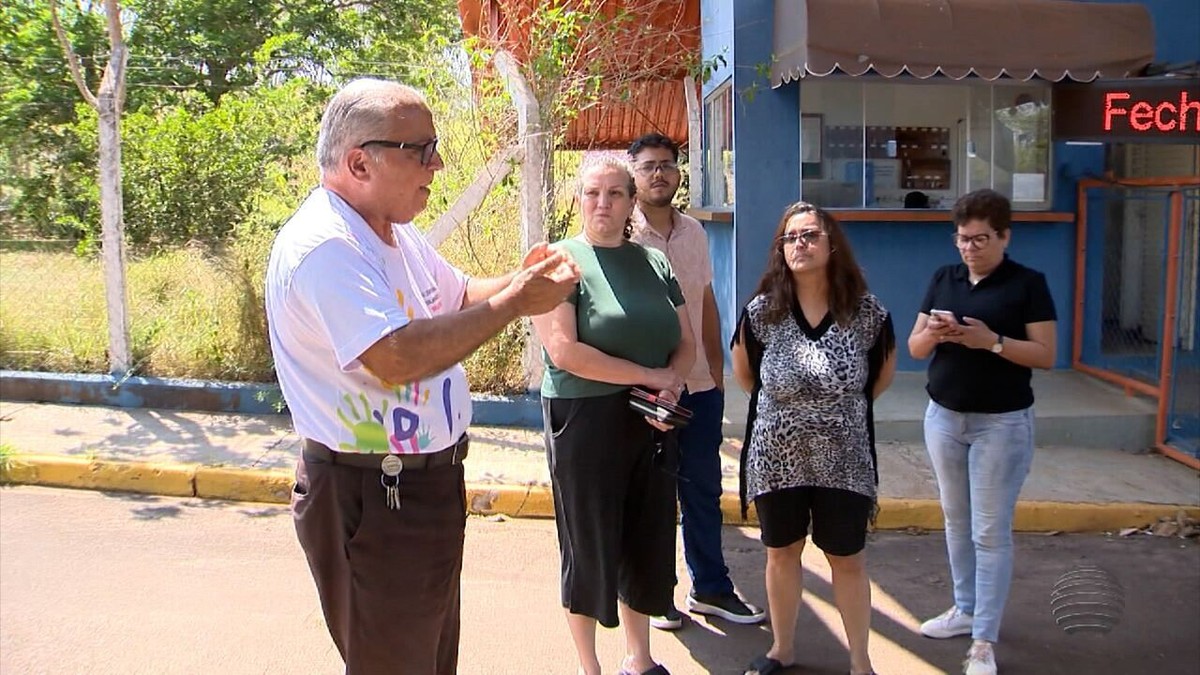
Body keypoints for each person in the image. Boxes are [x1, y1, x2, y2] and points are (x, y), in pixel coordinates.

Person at [264, 78, 580, 675]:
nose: (437, 163)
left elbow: (457, 296)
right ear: (360, 161)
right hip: (374, 496)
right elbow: (396, 357)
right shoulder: (327, 246)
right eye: (422, 148)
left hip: (416, 489)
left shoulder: (390, 232)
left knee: (429, 659)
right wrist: (516, 301)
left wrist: (522, 280)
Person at [531, 155, 696, 675]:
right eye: (592, 193)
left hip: (650, 419)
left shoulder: (654, 262)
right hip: (585, 418)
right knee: (589, 541)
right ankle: (590, 667)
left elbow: (685, 344)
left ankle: (639, 658)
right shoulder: (556, 262)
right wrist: (649, 377)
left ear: (631, 202)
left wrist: (671, 384)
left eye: (615, 194)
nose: (603, 203)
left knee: (645, 537)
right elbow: (565, 353)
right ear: (578, 199)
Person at [731, 202, 896, 675]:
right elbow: (748, 376)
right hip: (776, 457)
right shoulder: (761, 312)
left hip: (844, 458)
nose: (799, 245)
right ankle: (782, 649)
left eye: (810, 236)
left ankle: (861, 662)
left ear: (832, 244)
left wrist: (832, 412)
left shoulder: (865, 312)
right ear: (780, 249)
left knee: (847, 558)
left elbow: (879, 378)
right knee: (781, 552)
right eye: (790, 237)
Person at [908, 189, 1056, 675]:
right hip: (944, 417)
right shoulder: (942, 278)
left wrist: (989, 342)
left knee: (990, 531)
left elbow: (1045, 355)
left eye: (980, 239)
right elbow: (914, 347)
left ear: (1004, 236)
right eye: (963, 239)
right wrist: (936, 333)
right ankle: (965, 608)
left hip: (1002, 423)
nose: (970, 248)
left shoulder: (1027, 284)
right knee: (956, 521)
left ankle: (984, 641)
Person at [626, 133, 765, 630]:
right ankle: (657, 593)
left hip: (701, 387)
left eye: (666, 164)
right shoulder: (622, 235)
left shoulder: (695, 234)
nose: (658, 173)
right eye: (647, 166)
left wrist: (718, 373)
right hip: (645, 389)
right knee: (652, 495)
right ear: (634, 174)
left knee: (703, 489)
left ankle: (711, 587)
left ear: (678, 173)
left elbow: (705, 302)